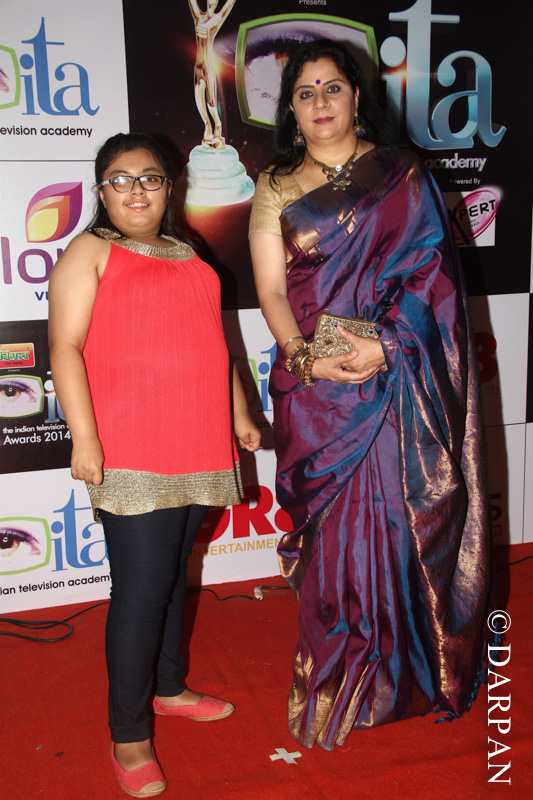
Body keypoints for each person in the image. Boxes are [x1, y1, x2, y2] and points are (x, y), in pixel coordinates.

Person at [249, 39, 492, 751]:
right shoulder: (274, 185)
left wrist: (385, 345)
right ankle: (335, 673)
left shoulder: (401, 175)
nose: (320, 102)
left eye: (332, 87)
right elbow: (271, 290)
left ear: (357, 97)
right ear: (291, 111)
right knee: (331, 543)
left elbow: (434, 278)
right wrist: (304, 357)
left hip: (394, 378)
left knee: (395, 523)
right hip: (315, 387)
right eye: (305, 92)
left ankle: (402, 672)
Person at [49, 132, 260, 796]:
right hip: (132, 444)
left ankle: (168, 688)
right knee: (141, 593)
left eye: (150, 178)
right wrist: (85, 439)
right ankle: (129, 734)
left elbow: (214, 341)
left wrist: (238, 413)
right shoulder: (89, 250)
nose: (136, 190)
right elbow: (65, 346)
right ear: (101, 191)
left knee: (172, 577)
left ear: (170, 188)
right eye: (120, 179)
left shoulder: (189, 251)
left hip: (199, 440)